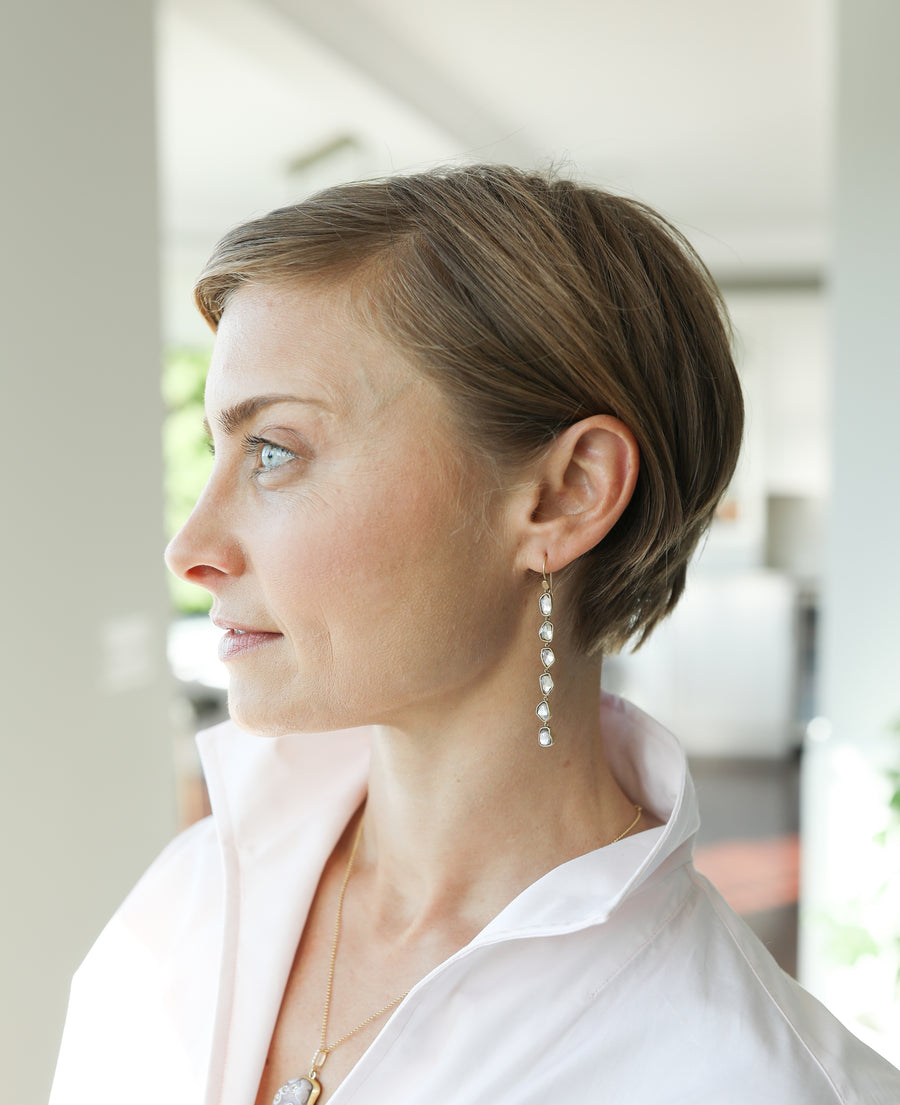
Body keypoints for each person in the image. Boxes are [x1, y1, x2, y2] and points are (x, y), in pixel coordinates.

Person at [50, 164, 900, 1105]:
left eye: (276, 451)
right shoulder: (187, 900)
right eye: (221, 449)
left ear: (563, 494)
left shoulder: (754, 1081)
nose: (191, 546)